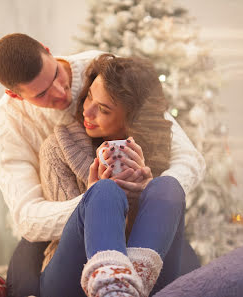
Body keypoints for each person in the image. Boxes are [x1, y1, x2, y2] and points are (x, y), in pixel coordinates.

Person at [0, 33, 205, 296]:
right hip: (62, 237)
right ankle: (116, 280)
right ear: (14, 95)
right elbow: (28, 218)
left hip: (140, 236)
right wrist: (94, 205)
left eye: (56, 74)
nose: (60, 92)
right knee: (104, 193)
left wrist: (146, 191)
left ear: (48, 50)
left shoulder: (103, 72)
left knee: (166, 187)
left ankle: (126, 284)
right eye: (42, 94)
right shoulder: (7, 126)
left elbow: (188, 159)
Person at [38, 54, 189, 297]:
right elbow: (62, 233)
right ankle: (115, 286)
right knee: (104, 191)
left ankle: (121, 290)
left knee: (167, 187)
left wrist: (142, 197)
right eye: (89, 96)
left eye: (104, 109)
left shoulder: (147, 150)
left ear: (132, 120)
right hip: (70, 276)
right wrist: (89, 201)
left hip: (143, 276)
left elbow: (160, 236)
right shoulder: (57, 148)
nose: (87, 111)